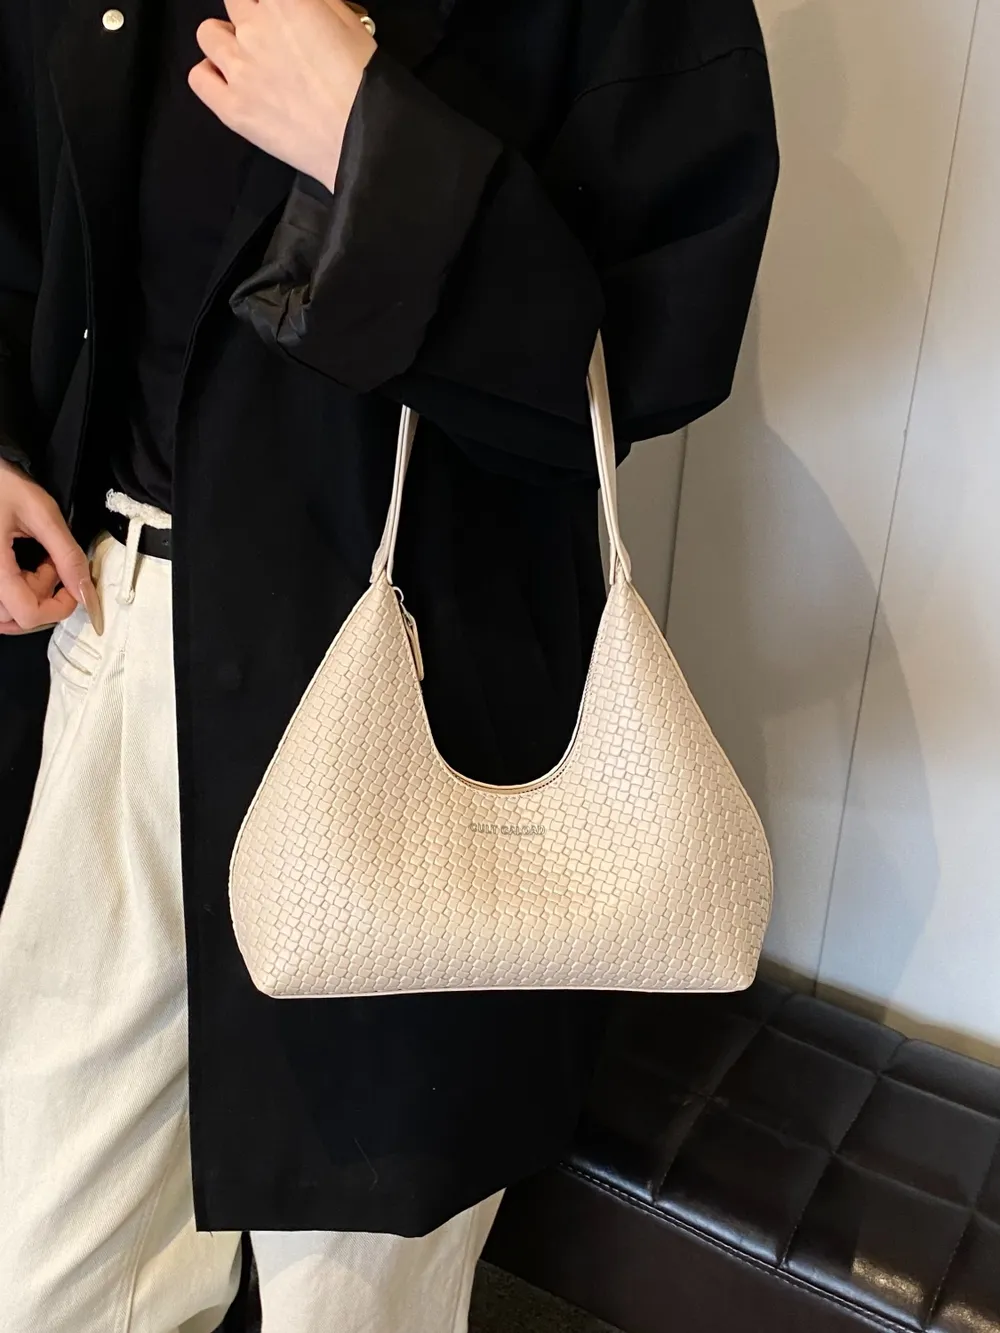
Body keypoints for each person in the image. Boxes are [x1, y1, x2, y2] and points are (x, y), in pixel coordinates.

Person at [0, 0, 779, 1327]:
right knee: (50, 1285)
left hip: (425, 695)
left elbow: (659, 339)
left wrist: (376, 151)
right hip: (115, 631)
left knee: (356, 1304)